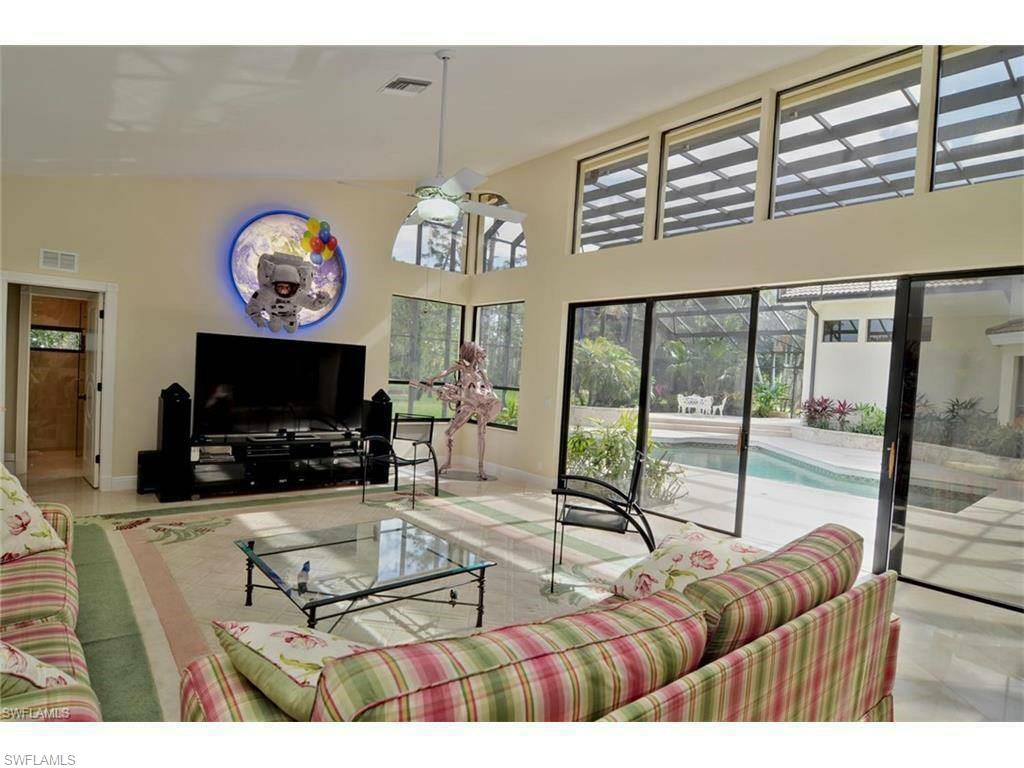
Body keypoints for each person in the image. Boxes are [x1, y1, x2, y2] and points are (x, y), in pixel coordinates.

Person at [415, 341, 502, 480]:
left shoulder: (482, 372)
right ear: (473, 353)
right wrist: (433, 378)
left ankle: (481, 469)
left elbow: (489, 387)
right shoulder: (462, 368)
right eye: (479, 353)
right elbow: (445, 372)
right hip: (468, 405)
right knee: (449, 433)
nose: (482, 356)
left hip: (481, 405)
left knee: (481, 435)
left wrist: (491, 399)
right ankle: (448, 462)